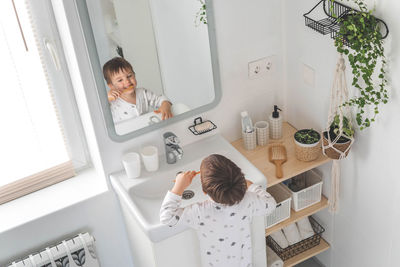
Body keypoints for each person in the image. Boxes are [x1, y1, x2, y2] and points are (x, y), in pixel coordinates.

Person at [160, 154, 276, 267]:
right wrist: (249, 184)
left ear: (204, 191)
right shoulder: (248, 200)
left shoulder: (200, 212)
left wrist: (179, 187)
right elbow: (270, 204)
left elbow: (167, 217)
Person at [102, 57, 172, 123]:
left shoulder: (143, 93)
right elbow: (99, 114)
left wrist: (165, 105)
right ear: (111, 86)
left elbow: (160, 99)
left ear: (134, 75)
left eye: (129, 76)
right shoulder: (112, 102)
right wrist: (106, 98)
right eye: (120, 80)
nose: (127, 81)